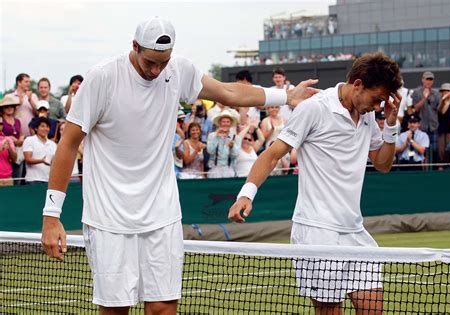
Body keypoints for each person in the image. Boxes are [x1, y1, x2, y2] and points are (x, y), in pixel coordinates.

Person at [41, 16, 317, 314]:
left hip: (163, 215)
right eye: (150, 62)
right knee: (115, 310)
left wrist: (286, 96)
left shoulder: (179, 70)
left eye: (163, 62)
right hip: (108, 220)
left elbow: (229, 92)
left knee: (163, 308)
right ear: (134, 47)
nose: (157, 70)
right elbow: (68, 145)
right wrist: (51, 215)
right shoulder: (102, 78)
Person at [229, 52, 402, 314]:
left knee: (373, 309)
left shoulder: (368, 115)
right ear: (357, 85)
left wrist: (390, 125)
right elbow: (273, 153)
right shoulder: (314, 108)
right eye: (376, 98)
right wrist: (246, 195)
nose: (378, 105)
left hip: (355, 231)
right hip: (316, 231)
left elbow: (383, 164)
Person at [207, 110, 240, 178]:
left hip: (229, 170)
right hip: (214, 169)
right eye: (223, 122)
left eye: (228, 122)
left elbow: (236, 155)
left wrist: (232, 147)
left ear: (230, 124)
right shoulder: (212, 135)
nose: (225, 124)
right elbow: (210, 151)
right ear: (219, 123)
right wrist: (217, 137)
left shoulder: (235, 137)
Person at [23, 117, 57, 184]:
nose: (45, 129)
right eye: (42, 126)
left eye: (47, 127)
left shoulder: (53, 144)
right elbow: (28, 159)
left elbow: (54, 162)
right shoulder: (29, 140)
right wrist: (42, 161)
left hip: (48, 180)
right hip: (33, 180)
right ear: (36, 128)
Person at [5, 73, 38, 137]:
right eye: (26, 82)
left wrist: (30, 100)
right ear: (19, 83)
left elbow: (38, 113)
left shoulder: (33, 96)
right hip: (14, 136)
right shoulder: (9, 97)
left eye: (29, 82)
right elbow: (5, 114)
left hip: (31, 135)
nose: (28, 84)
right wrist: (19, 104)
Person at [0, 116, 17, 186]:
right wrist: (1, 149)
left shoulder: (8, 139)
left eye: (1, 123)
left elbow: (15, 159)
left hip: (7, 177)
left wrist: (9, 148)